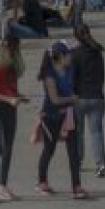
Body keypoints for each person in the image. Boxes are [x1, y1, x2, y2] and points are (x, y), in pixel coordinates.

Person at [35, 43, 88, 199]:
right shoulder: (49, 75)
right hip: (51, 116)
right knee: (49, 150)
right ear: (60, 57)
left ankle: (76, 186)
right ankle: (42, 181)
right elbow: (55, 99)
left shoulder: (69, 70)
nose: (71, 57)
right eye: (68, 55)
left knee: (73, 151)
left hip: (68, 115)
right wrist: (72, 99)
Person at [0, 33, 26, 203]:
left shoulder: (13, 67)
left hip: (10, 109)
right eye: (10, 48)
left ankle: (3, 186)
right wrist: (9, 99)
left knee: (8, 148)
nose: (13, 51)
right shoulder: (0, 66)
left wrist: (18, 96)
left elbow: (9, 88)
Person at [69, 24, 105, 178]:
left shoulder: (75, 54)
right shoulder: (97, 51)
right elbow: (102, 75)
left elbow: (72, 78)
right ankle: (101, 164)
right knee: (96, 132)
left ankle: (78, 162)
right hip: (97, 97)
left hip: (80, 98)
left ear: (76, 37)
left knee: (78, 132)